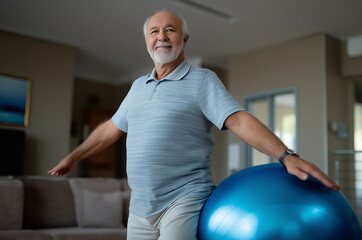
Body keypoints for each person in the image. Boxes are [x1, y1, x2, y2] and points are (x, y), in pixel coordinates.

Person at [48, 10, 340, 240]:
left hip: (183, 199)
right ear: (147, 41)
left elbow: (238, 119)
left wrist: (285, 155)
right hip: (139, 208)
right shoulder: (137, 86)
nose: (161, 36)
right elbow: (111, 127)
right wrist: (74, 156)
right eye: (154, 31)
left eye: (170, 30)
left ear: (184, 39)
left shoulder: (202, 81)